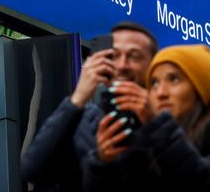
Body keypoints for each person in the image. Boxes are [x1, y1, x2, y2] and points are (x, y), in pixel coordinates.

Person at [82, 44, 210, 191]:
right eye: (154, 83)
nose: (160, 93)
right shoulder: (142, 144)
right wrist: (102, 162)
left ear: (201, 90)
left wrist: (156, 124)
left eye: (174, 79)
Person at [20, 22, 158, 191]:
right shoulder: (82, 120)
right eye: (114, 56)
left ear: (152, 67)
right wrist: (77, 98)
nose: (122, 65)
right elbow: (33, 170)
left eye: (134, 56)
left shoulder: (170, 118)